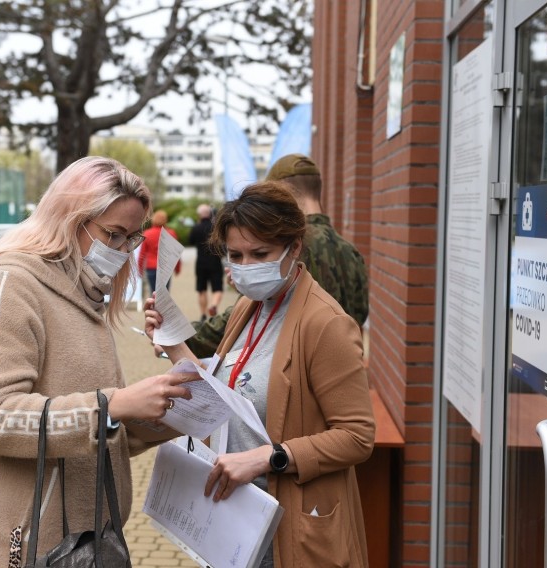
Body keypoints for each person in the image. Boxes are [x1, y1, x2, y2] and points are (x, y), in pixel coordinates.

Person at [0, 156, 194, 568]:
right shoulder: (6, 288)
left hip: (81, 544)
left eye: (131, 239)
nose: (122, 250)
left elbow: (94, 429)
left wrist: (173, 410)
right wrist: (111, 405)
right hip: (16, 547)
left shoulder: (82, 294)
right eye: (113, 234)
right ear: (69, 218)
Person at [144, 181, 375, 567]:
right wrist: (171, 340)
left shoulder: (325, 324)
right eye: (236, 255)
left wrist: (271, 457)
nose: (246, 267)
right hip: (239, 522)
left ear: (294, 248)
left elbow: (358, 437)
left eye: (261, 253)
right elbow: (225, 382)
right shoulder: (252, 306)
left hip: (293, 529)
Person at [185, 152, 369, 358]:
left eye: (260, 255)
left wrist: (178, 336)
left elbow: (244, 323)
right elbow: (359, 317)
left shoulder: (288, 248)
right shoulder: (351, 252)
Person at [189, 203, 224, 321]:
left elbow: (190, 241)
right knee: (217, 288)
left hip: (201, 263)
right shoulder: (216, 227)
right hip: (215, 262)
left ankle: (203, 314)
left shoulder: (196, 227)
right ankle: (213, 305)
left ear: (199, 214)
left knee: (201, 289)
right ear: (210, 213)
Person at [136, 209, 180, 295]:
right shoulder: (171, 233)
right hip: (166, 267)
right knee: (164, 294)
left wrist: (140, 269)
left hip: (151, 267)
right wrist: (177, 268)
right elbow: (175, 254)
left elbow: (142, 254)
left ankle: (153, 308)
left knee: (153, 293)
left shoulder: (147, 234)